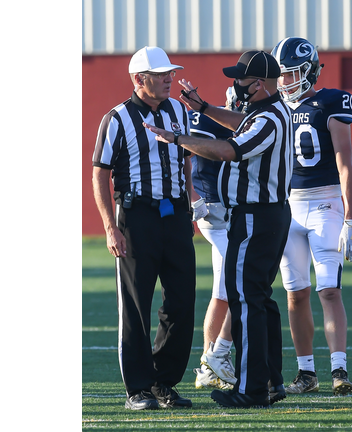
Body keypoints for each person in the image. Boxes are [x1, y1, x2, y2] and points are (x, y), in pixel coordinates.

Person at [144, 50, 293, 408]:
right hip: (267, 216)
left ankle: (253, 388)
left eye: (241, 79)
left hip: (256, 216)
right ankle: (271, 381)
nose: (235, 84)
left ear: (258, 84)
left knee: (245, 301)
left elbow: (228, 149)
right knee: (260, 300)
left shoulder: (268, 120)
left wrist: (177, 139)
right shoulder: (269, 111)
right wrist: (205, 108)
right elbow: (240, 123)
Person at [91, 46, 196, 410]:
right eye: (161, 74)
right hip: (136, 218)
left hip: (175, 217)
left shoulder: (179, 111)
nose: (169, 79)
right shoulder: (116, 118)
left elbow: (185, 162)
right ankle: (137, 388)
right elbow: (99, 174)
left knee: (182, 301)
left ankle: (163, 382)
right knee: (136, 305)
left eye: (170, 72)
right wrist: (110, 227)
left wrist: (190, 205)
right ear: (140, 79)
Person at [270, 37, 352, 396]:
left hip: (325, 204)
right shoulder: (276, 108)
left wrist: (351, 218)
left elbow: (345, 165)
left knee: (328, 290)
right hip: (288, 206)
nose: (284, 81)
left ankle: (339, 369)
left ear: (308, 71)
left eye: (291, 73)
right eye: (281, 74)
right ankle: (306, 373)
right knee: (295, 294)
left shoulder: (330, 102)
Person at [189, 88, 248, 391]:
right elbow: (184, 153)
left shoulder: (257, 124)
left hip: (232, 213)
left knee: (222, 292)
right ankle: (218, 355)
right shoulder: (208, 120)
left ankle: (206, 367)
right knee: (243, 281)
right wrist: (192, 198)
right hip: (214, 211)